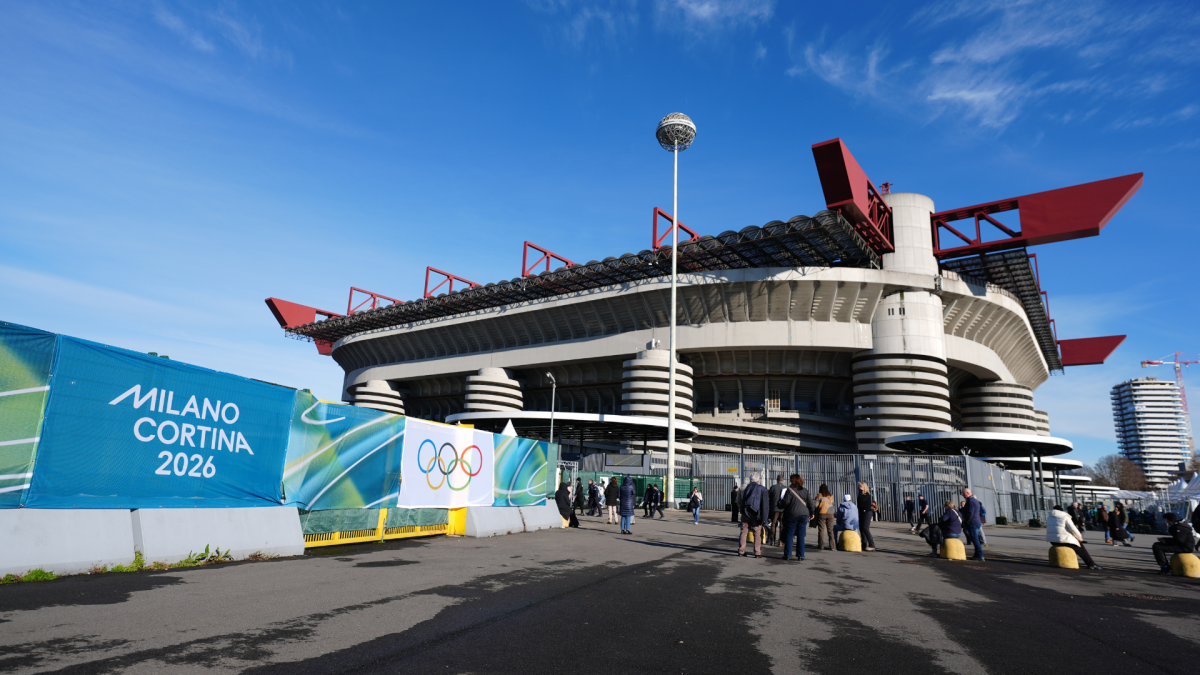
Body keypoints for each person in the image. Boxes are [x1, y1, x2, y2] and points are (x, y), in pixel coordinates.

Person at [1047, 504, 1101, 570]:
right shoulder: (1065, 517)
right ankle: (1091, 564)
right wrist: (1079, 537)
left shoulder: (1049, 517)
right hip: (1063, 540)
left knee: (1075, 545)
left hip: (1052, 541)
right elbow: (1073, 529)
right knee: (1080, 548)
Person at [777, 474, 814, 561]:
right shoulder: (805, 491)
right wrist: (812, 513)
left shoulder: (790, 490)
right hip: (804, 515)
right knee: (801, 535)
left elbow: (785, 502)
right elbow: (811, 503)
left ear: (792, 481)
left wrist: (780, 503)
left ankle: (788, 555)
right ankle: (801, 555)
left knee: (789, 534)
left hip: (792, 514)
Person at [737, 474, 771, 558]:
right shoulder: (762, 489)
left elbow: (739, 501)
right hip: (756, 513)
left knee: (744, 531)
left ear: (749, 479)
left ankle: (741, 550)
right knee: (757, 532)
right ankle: (757, 552)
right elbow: (765, 505)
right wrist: (764, 518)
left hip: (745, 513)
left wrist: (741, 510)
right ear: (758, 480)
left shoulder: (744, 487)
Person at [960, 488, 984, 561]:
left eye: (963, 494)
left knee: (975, 540)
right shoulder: (975, 500)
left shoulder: (970, 501)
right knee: (975, 539)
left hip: (972, 523)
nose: (963, 495)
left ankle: (979, 555)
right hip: (976, 522)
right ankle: (977, 554)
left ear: (967, 493)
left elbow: (970, 513)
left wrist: (967, 522)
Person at [814, 484, 836, 551]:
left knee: (821, 530)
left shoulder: (819, 496)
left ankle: (821, 545)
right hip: (831, 514)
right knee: (830, 530)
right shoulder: (831, 496)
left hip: (822, 513)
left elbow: (816, 505)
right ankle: (833, 546)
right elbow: (832, 503)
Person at [856, 482, 876, 551]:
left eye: (860, 486)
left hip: (867, 512)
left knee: (865, 528)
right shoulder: (860, 495)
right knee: (861, 528)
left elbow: (861, 500)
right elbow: (859, 502)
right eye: (858, 486)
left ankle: (872, 545)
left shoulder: (867, 494)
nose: (858, 488)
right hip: (861, 512)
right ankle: (864, 544)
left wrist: (861, 491)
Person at [768, 475, 787, 546]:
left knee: (773, 524)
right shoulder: (785, 488)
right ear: (783, 480)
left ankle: (772, 540)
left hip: (774, 508)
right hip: (782, 509)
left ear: (777, 480)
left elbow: (769, 497)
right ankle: (780, 541)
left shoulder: (773, 487)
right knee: (782, 525)